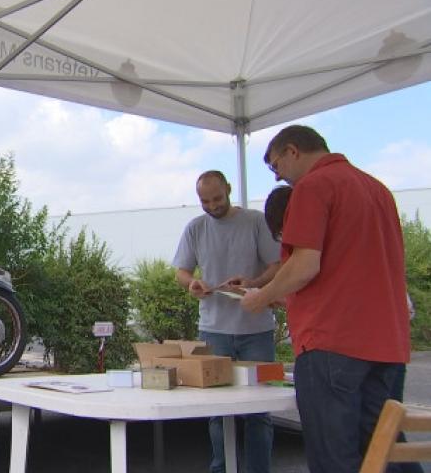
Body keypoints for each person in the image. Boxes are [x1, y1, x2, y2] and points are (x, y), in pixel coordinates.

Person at [241, 125, 412, 472]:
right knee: (382, 453)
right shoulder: (377, 189)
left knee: (334, 456)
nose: (278, 177)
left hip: (332, 343)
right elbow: (352, 270)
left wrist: (262, 296)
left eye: (275, 166)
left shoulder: (313, 186)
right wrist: (286, 297)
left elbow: (305, 265)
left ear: (292, 151)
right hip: (386, 342)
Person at [262, 183, 422, 473]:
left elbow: (321, 288)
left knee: (340, 447)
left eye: (284, 234)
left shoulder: (316, 237)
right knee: (383, 440)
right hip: (387, 347)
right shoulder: (372, 210)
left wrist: (263, 295)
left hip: (338, 349)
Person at [172, 170, 281, 473]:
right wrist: (192, 283)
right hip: (213, 330)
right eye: (205, 201)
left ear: (229, 189)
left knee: (259, 410)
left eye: (217, 198)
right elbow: (181, 271)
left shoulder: (255, 221)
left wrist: (253, 283)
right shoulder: (195, 228)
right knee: (217, 410)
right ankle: (221, 468)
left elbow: (278, 265)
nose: (212, 205)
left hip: (256, 330)